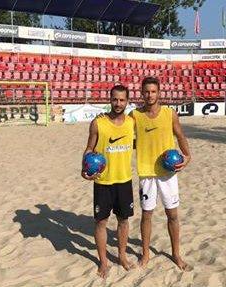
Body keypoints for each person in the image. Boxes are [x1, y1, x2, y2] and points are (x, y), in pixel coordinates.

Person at [130, 77, 191, 271]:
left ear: (159, 92)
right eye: (146, 92)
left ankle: (175, 254)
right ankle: (146, 254)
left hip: (167, 173)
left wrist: (187, 156)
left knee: (172, 215)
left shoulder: (169, 114)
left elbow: (180, 135)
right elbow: (122, 134)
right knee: (146, 215)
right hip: (146, 173)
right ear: (142, 93)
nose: (150, 95)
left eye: (153, 91)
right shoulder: (134, 116)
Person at [81, 84, 135, 279]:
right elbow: (89, 148)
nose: (118, 103)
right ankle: (103, 261)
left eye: (122, 100)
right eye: (115, 99)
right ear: (110, 99)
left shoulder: (132, 123)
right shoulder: (98, 123)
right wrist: (84, 169)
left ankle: (121, 255)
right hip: (103, 182)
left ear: (127, 101)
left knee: (123, 220)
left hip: (124, 180)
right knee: (101, 222)